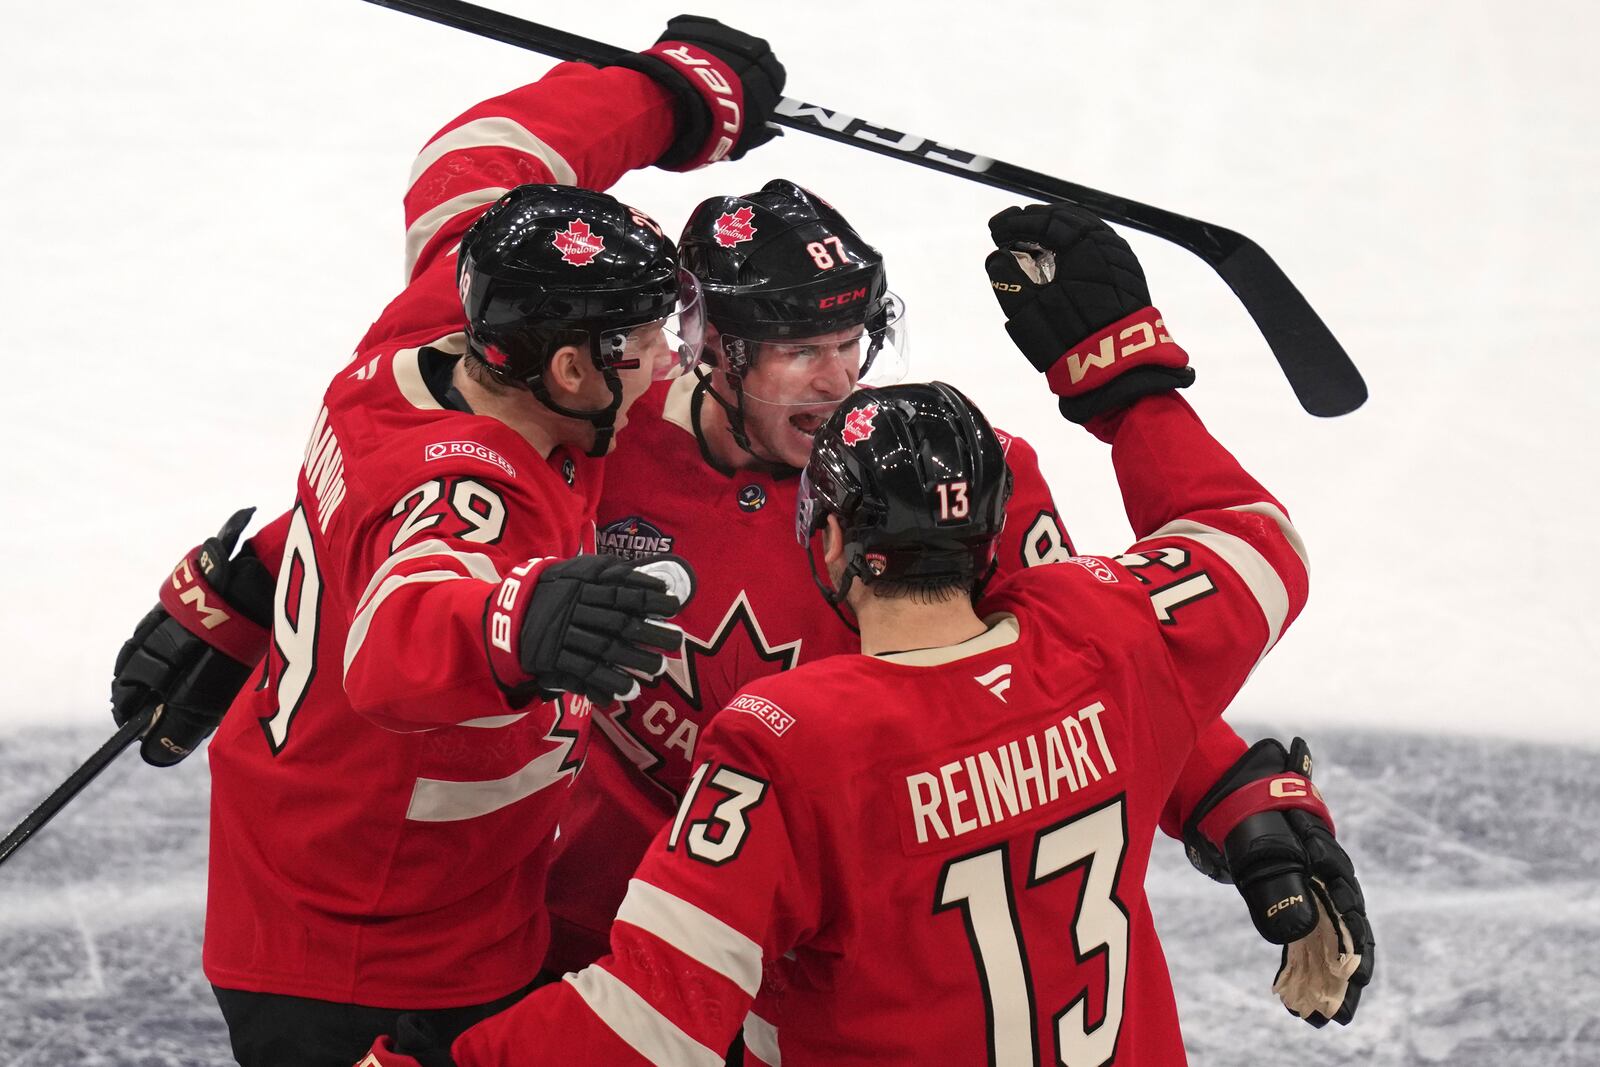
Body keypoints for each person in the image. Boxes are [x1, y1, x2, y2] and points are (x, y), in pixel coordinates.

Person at [358, 202, 1365, 1067]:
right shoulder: (605, 434)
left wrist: (1237, 800)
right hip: (608, 927)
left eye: (850, 346)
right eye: (800, 350)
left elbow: (1078, 675)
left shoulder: (938, 481)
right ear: (713, 345)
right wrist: (249, 583)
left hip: (830, 953)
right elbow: (421, 511)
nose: (836, 381)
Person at [105, 17, 787, 1066]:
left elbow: (484, 158)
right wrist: (513, 623)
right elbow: (400, 632)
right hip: (373, 958)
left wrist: (674, 98)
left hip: (367, 881)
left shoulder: (446, 322)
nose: (669, 362)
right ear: (570, 370)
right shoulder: (469, 495)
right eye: (646, 341)